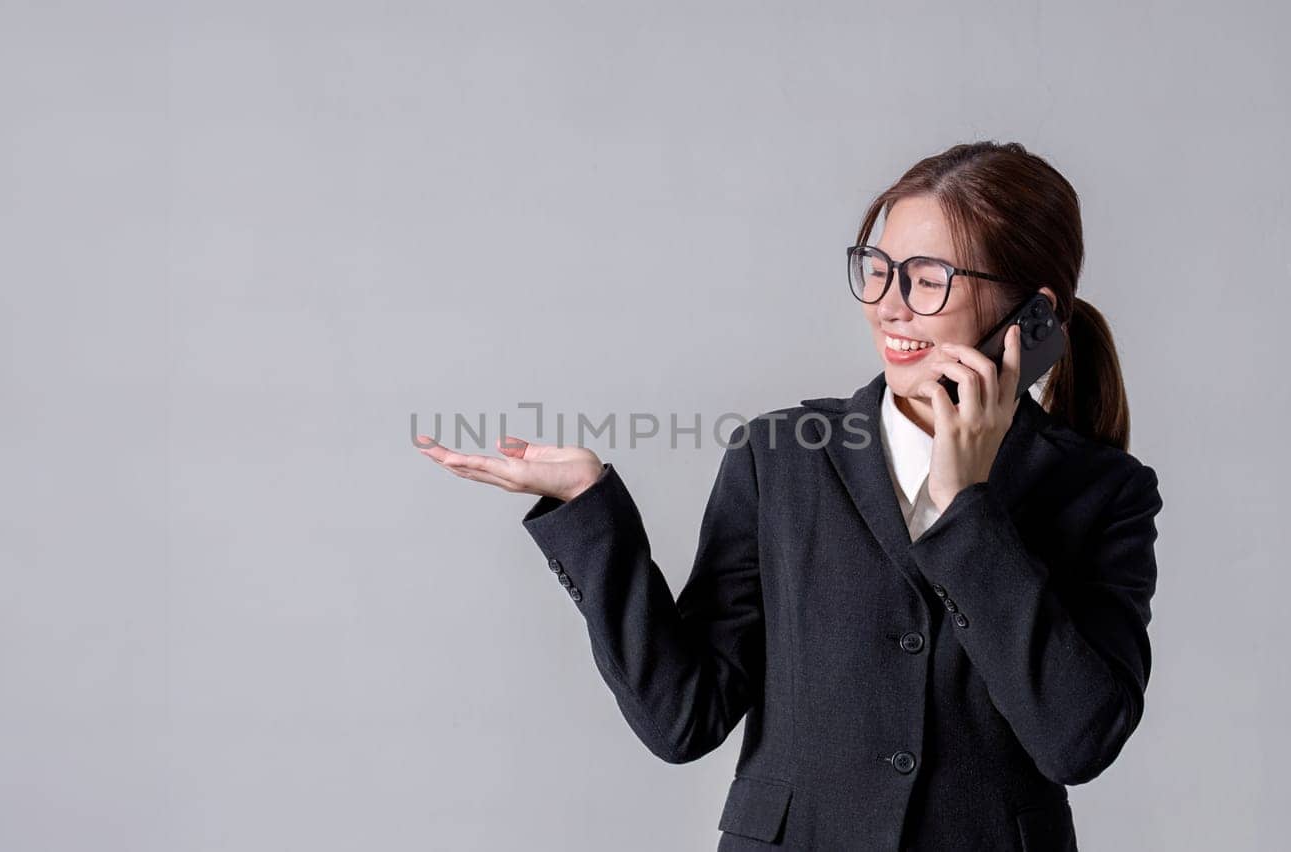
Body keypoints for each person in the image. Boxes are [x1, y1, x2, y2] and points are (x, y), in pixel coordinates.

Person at [416, 140, 1163, 852]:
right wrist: (590, 509)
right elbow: (683, 718)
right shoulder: (780, 459)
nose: (889, 306)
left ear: (1031, 313)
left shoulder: (1102, 493)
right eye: (877, 269)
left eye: (928, 278)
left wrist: (964, 505)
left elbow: (1078, 739)